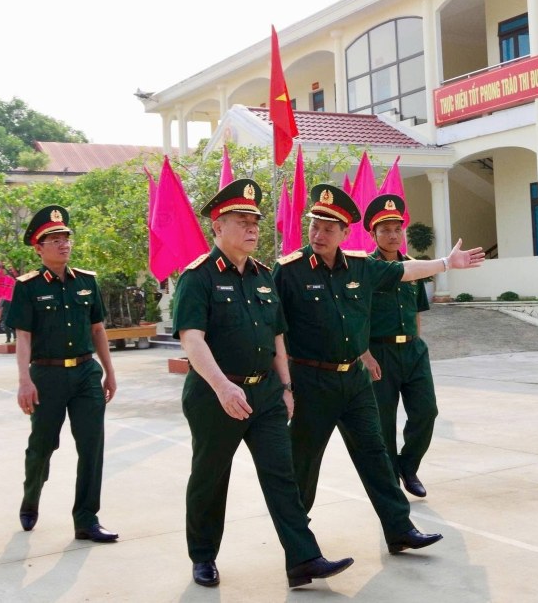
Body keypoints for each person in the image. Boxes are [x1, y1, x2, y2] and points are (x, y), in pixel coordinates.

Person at [273, 183, 484, 554]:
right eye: (314, 226)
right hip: (311, 382)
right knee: (302, 467)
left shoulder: (360, 267)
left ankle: (399, 529)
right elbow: (272, 328)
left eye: (328, 228)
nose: (319, 234)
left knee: (377, 458)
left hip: (353, 382)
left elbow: (403, 270)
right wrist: (283, 386)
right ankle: (298, 548)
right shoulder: (287, 271)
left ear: (344, 232)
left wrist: (447, 263)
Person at [172, 178, 353, 589]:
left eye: (255, 220)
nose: (253, 228)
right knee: (210, 477)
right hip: (216, 395)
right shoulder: (198, 277)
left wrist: (286, 388)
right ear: (217, 227)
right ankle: (203, 556)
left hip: (266, 393)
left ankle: (303, 560)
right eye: (241, 220)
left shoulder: (262, 275)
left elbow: (276, 336)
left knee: (282, 476)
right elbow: (192, 338)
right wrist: (221, 386)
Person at [5, 205, 119, 542]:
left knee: (92, 446)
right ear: (39, 248)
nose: (63, 244)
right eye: (54, 240)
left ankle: (86, 518)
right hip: (47, 376)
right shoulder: (27, 287)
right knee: (41, 446)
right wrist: (24, 381)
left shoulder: (87, 282)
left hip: (86, 373)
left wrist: (109, 372)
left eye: (66, 238)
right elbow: (23, 337)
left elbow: (98, 329)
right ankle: (31, 496)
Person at [359, 194, 437, 498]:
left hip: (413, 351)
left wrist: (416, 343)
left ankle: (409, 466)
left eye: (397, 229)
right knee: (384, 421)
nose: (393, 235)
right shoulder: (366, 269)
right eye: (386, 230)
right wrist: (364, 354)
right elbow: (357, 317)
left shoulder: (413, 268)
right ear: (373, 234)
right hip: (380, 353)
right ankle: (391, 480)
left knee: (426, 412)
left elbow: (416, 311)